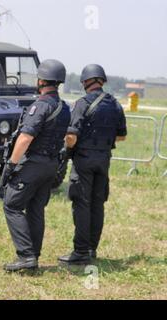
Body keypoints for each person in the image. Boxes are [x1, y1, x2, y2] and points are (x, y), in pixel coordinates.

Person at [2, 59, 71, 272]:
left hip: (34, 163)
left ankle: (25, 256)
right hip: (51, 165)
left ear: (41, 80)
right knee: (35, 209)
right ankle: (34, 256)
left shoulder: (40, 106)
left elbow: (25, 138)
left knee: (12, 204)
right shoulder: (64, 107)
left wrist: (11, 165)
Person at [58, 64, 127, 265]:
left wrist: (67, 151)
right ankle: (91, 249)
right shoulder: (115, 104)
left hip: (84, 161)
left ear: (85, 82)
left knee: (81, 204)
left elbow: (71, 136)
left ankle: (80, 252)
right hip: (104, 161)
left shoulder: (82, 103)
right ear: (102, 81)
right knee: (98, 205)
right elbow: (122, 136)